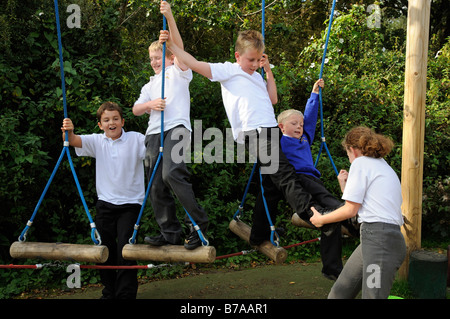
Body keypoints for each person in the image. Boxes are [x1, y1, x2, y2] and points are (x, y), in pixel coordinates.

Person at [159, 24, 317, 248]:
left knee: (270, 186)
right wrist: (173, 45)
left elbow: (273, 99)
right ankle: (311, 212)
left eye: (257, 60)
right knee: (284, 174)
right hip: (255, 131)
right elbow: (193, 63)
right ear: (237, 56)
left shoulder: (256, 77)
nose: (254, 65)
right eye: (250, 60)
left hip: (270, 129)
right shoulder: (229, 70)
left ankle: (259, 234)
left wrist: (267, 70)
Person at [133, 1, 208, 250]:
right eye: (152, 58)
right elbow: (135, 109)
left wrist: (169, 17)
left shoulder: (179, 71)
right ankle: (170, 232)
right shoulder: (148, 86)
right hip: (153, 133)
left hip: (176, 128)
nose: (155, 62)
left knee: (172, 173)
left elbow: (180, 48)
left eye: (159, 57)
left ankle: (197, 225)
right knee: (155, 183)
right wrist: (150, 104)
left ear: (170, 57)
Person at [310, 126, 406, 299]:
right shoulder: (381, 166)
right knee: (338, 294)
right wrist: (344, 185)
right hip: (374, 240)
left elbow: (350, 210)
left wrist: (321, 219)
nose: (349, 157)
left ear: (352, 149)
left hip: (380, 242)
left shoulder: (361, 163)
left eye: (347, 153)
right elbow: (359, 208)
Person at [61, 101, 145, 299]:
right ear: (100, 125)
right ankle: (109, 292)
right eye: (106, 120)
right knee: (103, 250)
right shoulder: (97, 141)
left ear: (123, 121)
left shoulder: (136, 139)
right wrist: (68, 130)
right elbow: (72, 140)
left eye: (115, 119)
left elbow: (156, 146)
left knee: (126, 250)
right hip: (105, 204)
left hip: (131, 204)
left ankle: (125, 294)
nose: (111, 123)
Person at [277, 78, 359, 280]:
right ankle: (332, 269)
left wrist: (314, 94)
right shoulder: (278, 142)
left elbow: (311, 118)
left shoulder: (305, 137)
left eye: (300, 124)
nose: (299, 126)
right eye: (294, 123)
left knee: (339, 209)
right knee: (327, 217)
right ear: (281, 126)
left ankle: (359, 230)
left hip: (313, 181)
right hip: (298, 181)